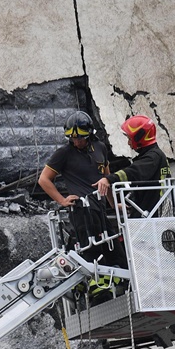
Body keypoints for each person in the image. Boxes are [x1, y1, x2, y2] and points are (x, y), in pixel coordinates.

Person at [38, 111, 113, 260]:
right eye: (73, 138)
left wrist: (114, 204)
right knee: (91, 254)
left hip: (100, 208)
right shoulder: (64, 153)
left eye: (80, 138)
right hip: (81, 211)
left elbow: (107, 178)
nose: (77, 142)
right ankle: (93, 282)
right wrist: (61, 200)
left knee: (113, 250)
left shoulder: (100, 148)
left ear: (89, 134)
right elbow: (44, 179)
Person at [93, 114, 171, 216]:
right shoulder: (154, 155)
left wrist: (109, 179)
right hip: (151, 212)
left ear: (140, 138)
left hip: (153, 216)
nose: (129, 143)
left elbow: (134, 172)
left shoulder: (153, 157)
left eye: (130, 139)